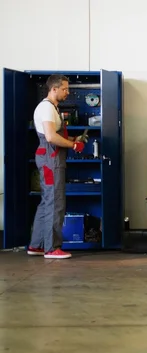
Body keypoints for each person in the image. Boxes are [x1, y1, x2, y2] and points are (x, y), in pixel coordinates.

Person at [27, 74, 87, 259]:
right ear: (54, 89)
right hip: (51, 158)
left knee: (47, 203)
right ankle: (52, 248)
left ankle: (36, 245)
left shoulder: (52, 107)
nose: (67, 92)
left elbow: (54, 135)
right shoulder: (46, 108)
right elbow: (51, 137)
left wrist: (73, 139)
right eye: (65, 89)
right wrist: (73, 145)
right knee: (55, 202)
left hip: (50, 157)